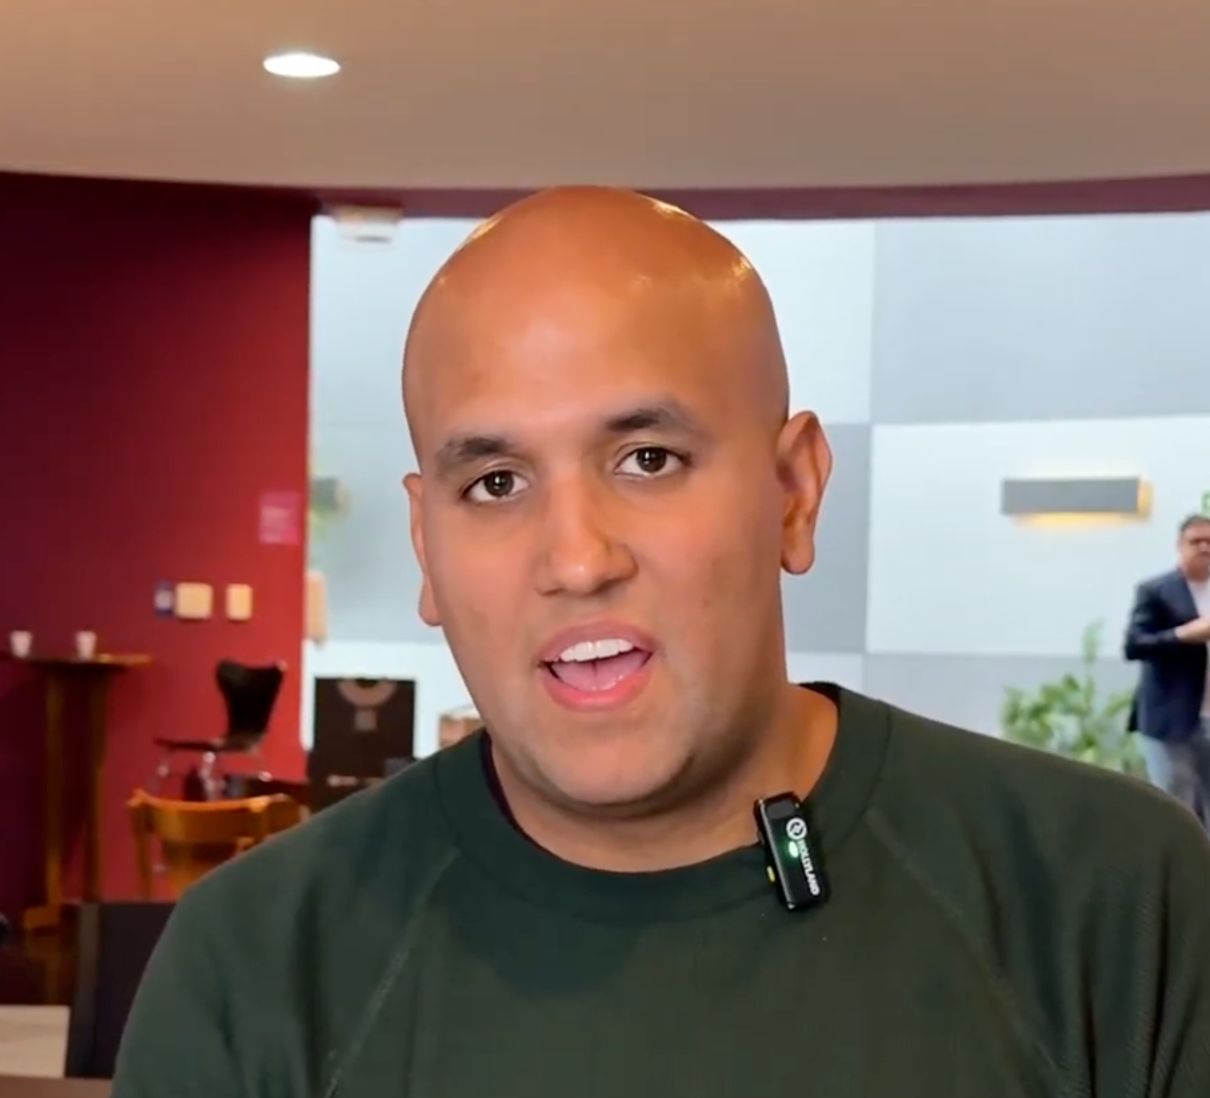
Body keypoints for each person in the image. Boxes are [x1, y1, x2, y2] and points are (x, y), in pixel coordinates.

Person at [112, 188, 1210, 1097]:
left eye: (648, 460)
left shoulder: (1108, 898)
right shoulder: (257, 962)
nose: (576, 559)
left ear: (793, 493)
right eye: (494, 483)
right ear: (425, 548)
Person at [1124, 514, 1210, 828]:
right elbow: (1134, 645)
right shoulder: (1157, 590)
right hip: (1172, 720)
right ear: (1179, 546)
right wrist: (1182, 635)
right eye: (1196, 541)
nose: (1204, 548)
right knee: (1178, 810)